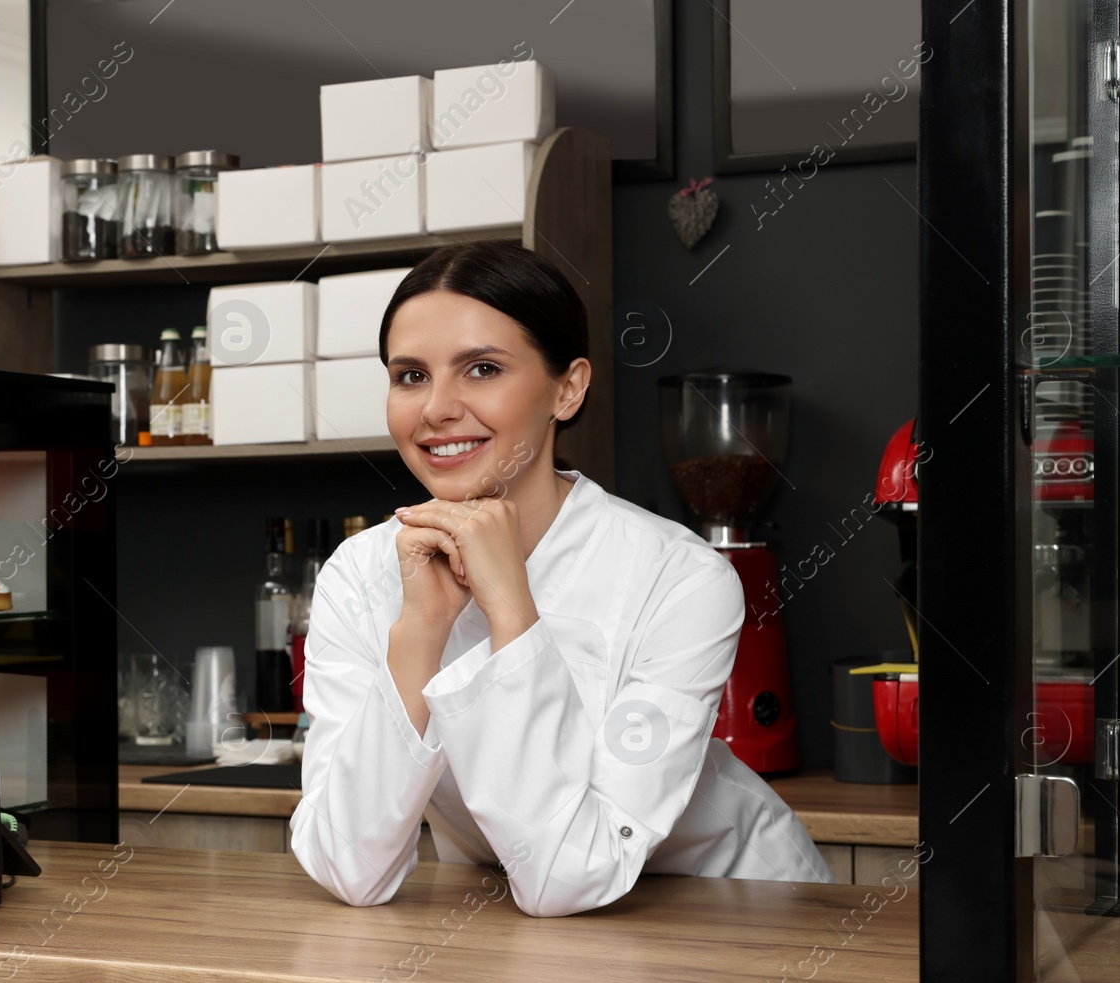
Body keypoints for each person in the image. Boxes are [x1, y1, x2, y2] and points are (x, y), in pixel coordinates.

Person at [289, 239, 832, 918]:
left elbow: (572, 877)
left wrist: (513, 613)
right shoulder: (359, 576)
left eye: (482, 368)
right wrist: (421, 629)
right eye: (410, 375)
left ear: (568, 388)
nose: (437, 408)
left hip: (733, 910)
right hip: (520, 920)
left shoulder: (681, 578)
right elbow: (348, 866)